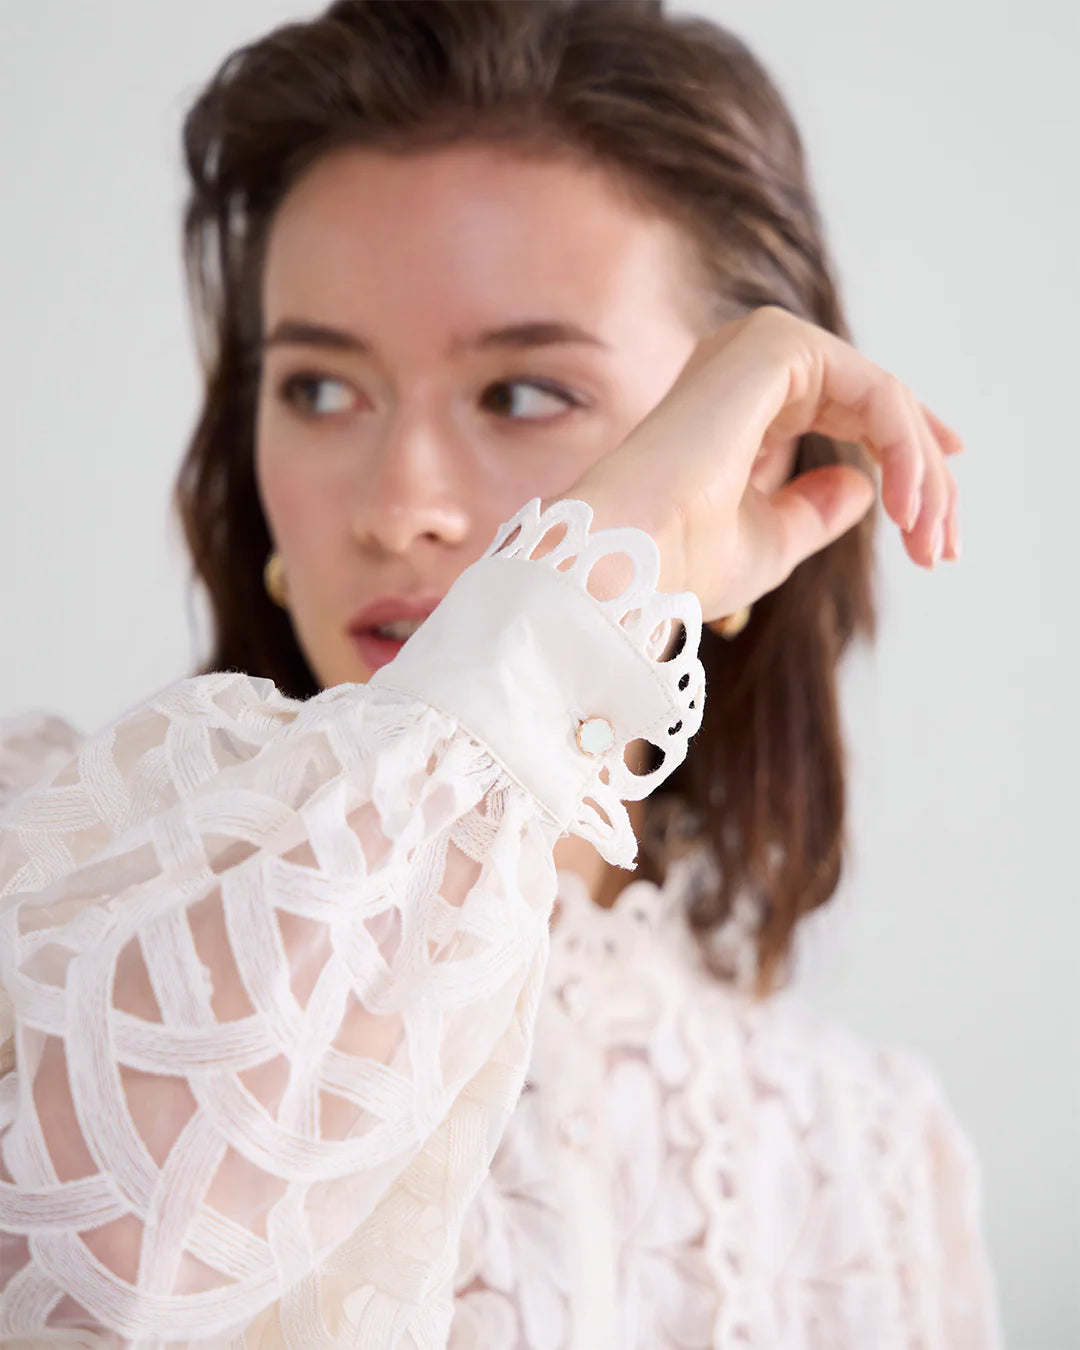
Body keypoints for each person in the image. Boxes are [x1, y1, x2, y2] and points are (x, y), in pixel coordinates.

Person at [0, 1, 1002, 1346]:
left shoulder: (874, 1156)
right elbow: (93, 1273)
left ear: (749, 454)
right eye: (315, 386)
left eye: (525, 393)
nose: (396, 503)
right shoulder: (59, 888)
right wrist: (546, 630)